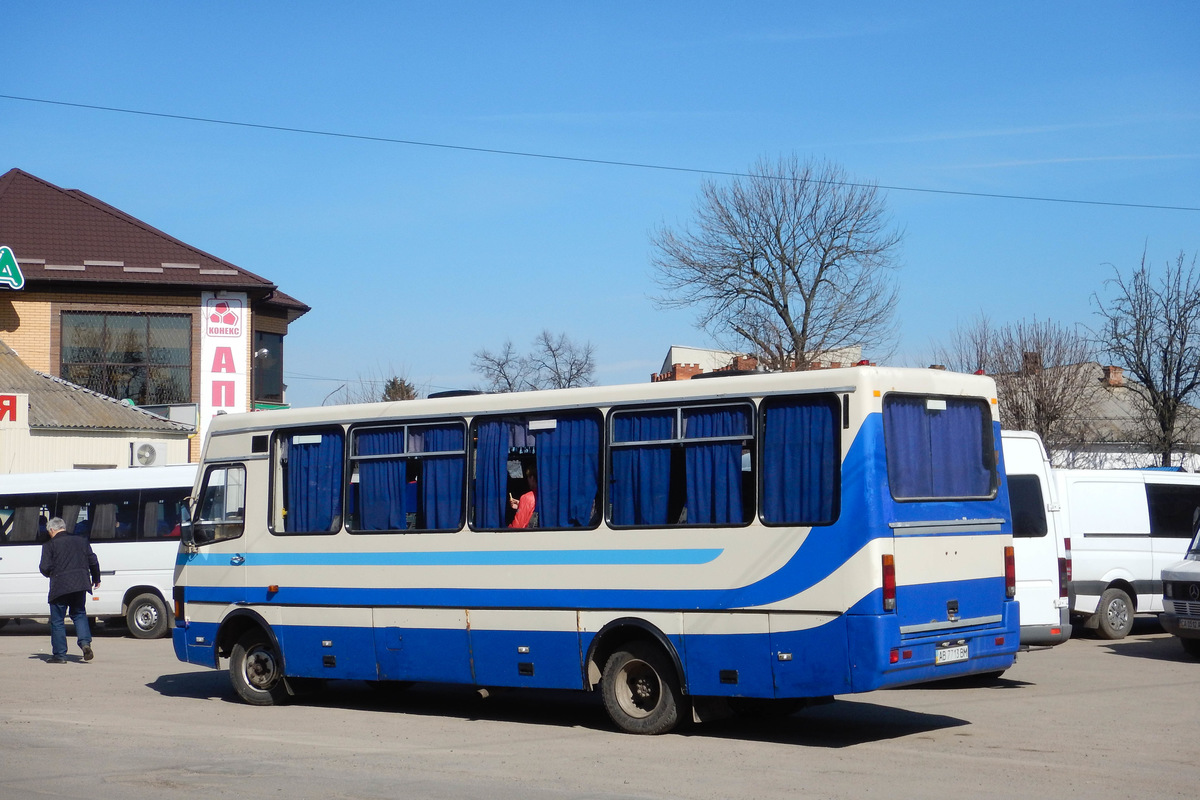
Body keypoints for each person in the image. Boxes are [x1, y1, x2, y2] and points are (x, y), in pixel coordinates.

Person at [39, 517, 101, 663]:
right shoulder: (81, 540)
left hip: (59, 586)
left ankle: (60, 655)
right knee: (79, 614)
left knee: (58, 621)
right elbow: (93, 560)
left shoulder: (49, 545)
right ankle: (85, 644)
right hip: (80, 584)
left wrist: (52, 573)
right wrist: (96, 578)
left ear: (52, 530)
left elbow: (44, 567)